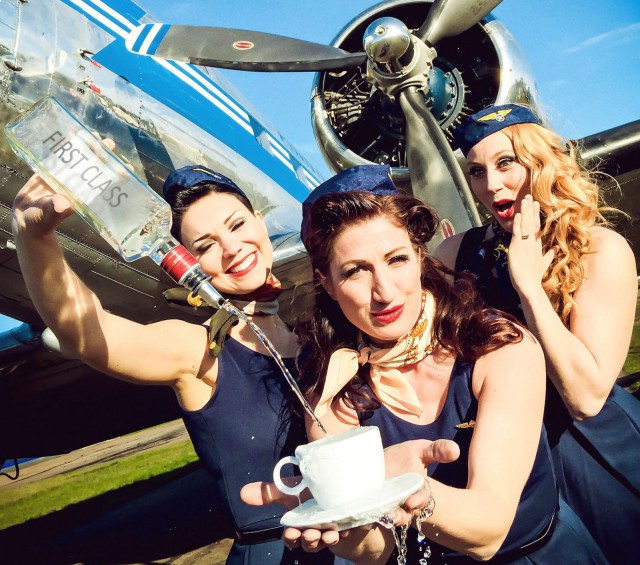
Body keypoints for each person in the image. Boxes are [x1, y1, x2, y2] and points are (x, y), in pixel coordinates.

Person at [250, 165, 607, 564]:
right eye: (355, 271)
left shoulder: (498, 345)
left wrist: (398, 485)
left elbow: (489, 531)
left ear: (419, 257)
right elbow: (376, 551)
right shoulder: (332, 388)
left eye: (396, 259)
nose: (384, 292)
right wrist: (338, 526)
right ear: (328, 283)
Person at [11, 159, 335, 565]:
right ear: (189, 265)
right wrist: (33, 236)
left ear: (258, 220)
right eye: (205, 246)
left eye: (237, 225)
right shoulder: (198, 351)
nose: (232, 248)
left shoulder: (309, 338)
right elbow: (88, 334)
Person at [435, 103, 640, 564]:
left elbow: (586, 398)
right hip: (508, 457)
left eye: (506, 163)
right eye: (477, 171)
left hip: (592, 452)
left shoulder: (601, 250)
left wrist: (529, 287)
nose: (491, 185)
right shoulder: (454, 255)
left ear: (542, 163)